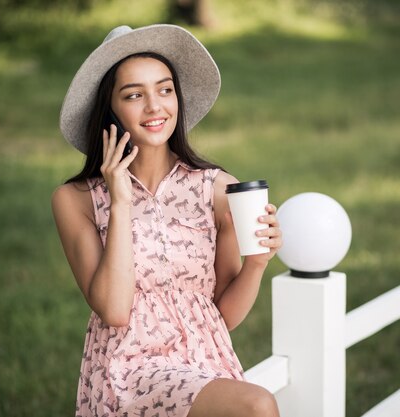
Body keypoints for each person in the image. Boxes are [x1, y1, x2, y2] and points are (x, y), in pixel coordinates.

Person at [52, 24, 282, 417]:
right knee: (257, 406)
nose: (155, 107)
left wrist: (257, 264)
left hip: (207, 365)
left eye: (164, 89)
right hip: (130, 373)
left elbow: (221, 316)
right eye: (134, 95)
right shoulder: (77, 200)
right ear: (110, 111)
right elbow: (114, 310)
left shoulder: (218, 190)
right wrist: (120, 202)